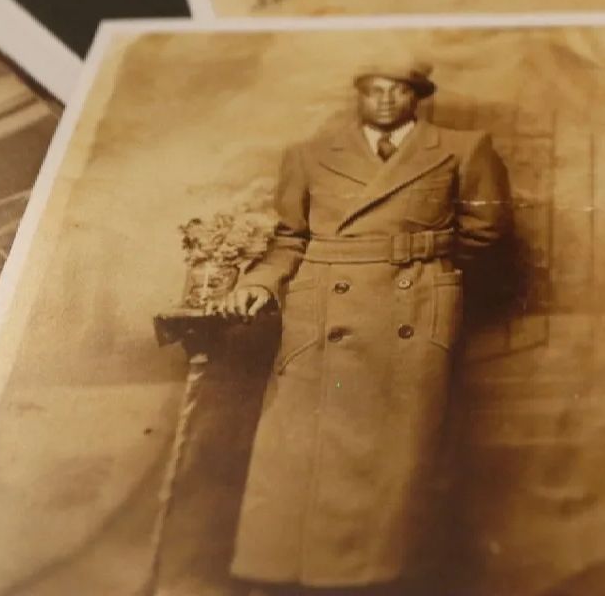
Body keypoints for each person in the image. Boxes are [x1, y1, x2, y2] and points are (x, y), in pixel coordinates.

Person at [213, 62, 513, 590]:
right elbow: (290, 239)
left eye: (397, 90)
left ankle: (377, 579)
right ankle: (286, 575)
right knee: (302, 441)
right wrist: (261, 283)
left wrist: (423, 269)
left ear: (416, 96)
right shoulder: (309, 154)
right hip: (324, 307)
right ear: (358, 95)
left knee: (401, 454)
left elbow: (485, 233)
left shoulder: (463, 147)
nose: (384, 100)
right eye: (373, 90)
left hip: (412, 308)